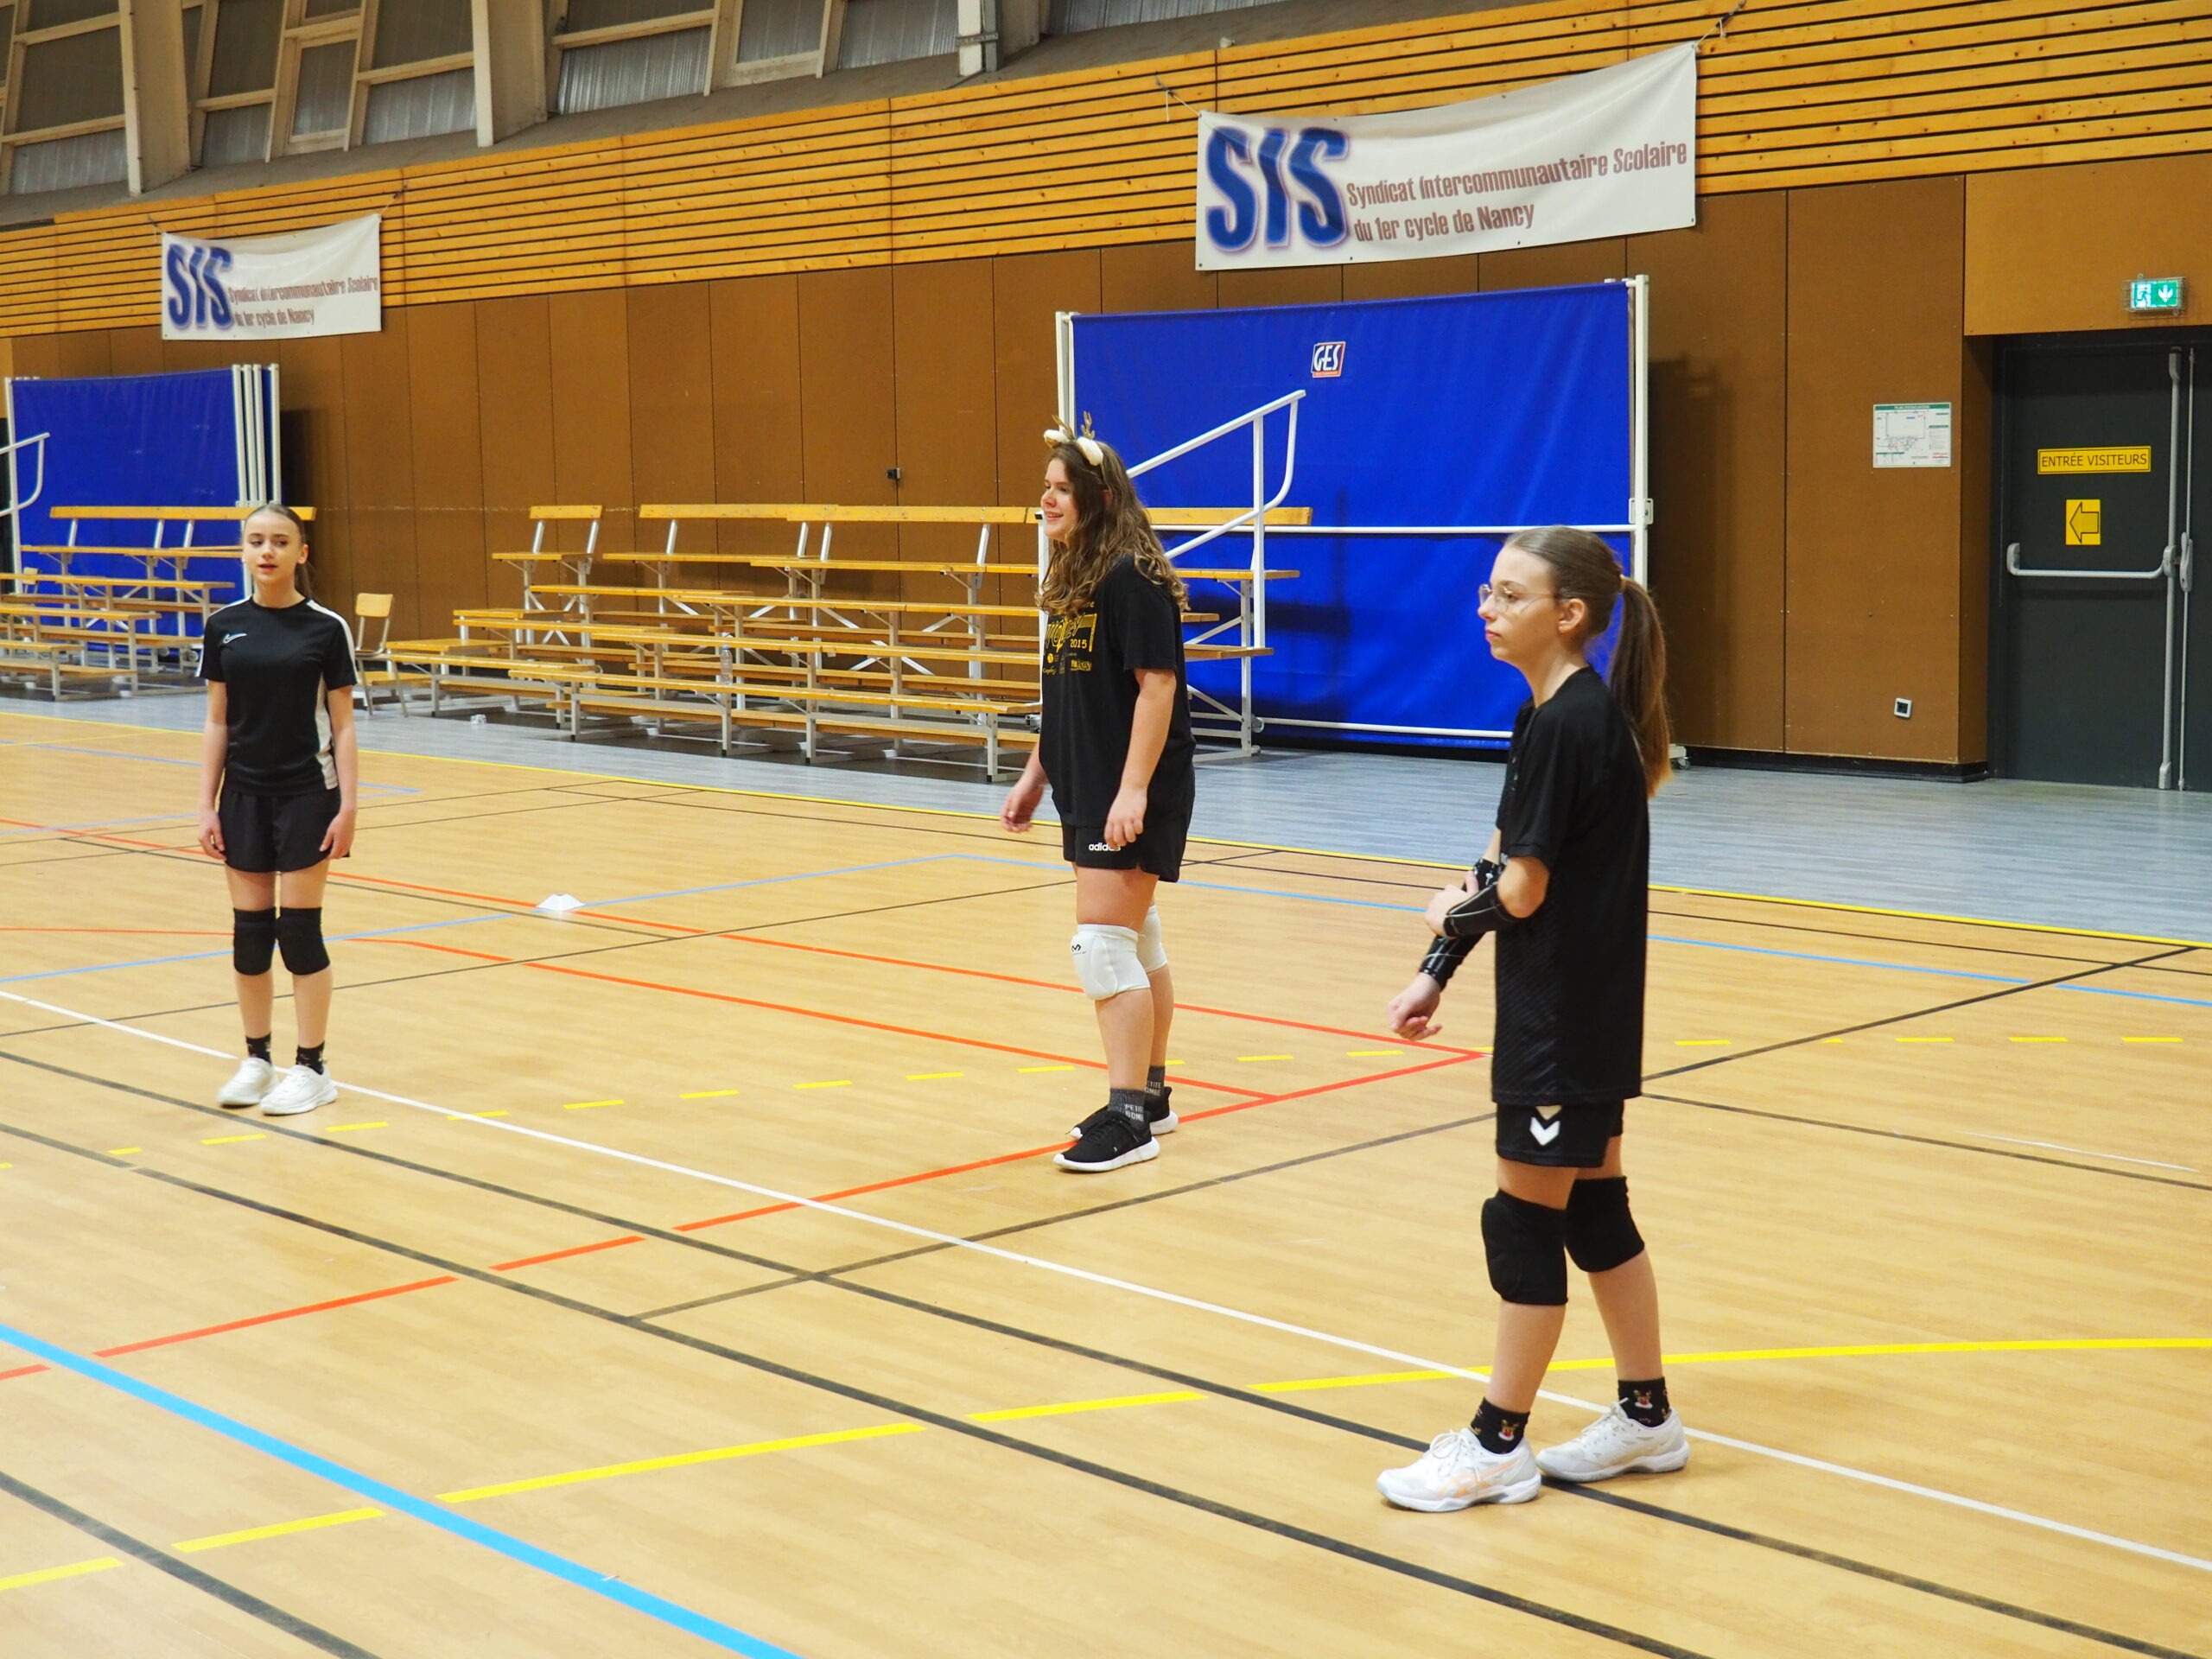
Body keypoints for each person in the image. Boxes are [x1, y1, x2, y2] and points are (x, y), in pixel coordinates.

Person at [1375, 525, 1686, 1511]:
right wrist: (1436, 971)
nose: (1487, 608)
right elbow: (1502, 859)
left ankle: (1497, 1443)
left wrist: (1447, 915)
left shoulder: (1570, 723)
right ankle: (1646, 1416)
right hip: (1582, 1016)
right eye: (1487, 591)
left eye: (1510, 595)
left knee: (1522, 1225)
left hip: (1561, 1024)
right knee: (1595, 1210)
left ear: (1569, 613)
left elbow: (1516, 891)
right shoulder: (1549, 714)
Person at [1000, 420, 1195, 1173]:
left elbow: (1158, 686)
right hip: (1085, 788)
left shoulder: (1130, 577)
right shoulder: (1074, 579)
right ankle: (1151, 1095)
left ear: (1100, 498)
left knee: (1102, 947)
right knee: (1137, 942)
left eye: (1061, 489)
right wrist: (1035, 775)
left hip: (1129, 792)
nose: (1046, 500)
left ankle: (1128, 1120)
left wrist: (1133, 789)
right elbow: (1067, 698)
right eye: (1045, 489)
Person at [194, 503, 359, 1119]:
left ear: (300, 553)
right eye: (257, 541)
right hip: (242, 798)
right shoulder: (224, 626)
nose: (267, 551)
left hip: (307, 795)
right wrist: (206, 806)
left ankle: (312, 1067)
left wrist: (348, 807)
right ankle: (256, 1059)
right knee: (250, 937)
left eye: (280, 542)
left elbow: (343, 727)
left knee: (299, 934)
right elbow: (217, 721)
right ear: (243, 550)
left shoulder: (326, 628)